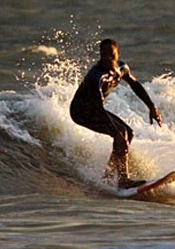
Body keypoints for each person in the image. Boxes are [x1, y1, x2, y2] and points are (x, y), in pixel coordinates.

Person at [70, 38, 163, 188]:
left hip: (96, 109)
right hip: (80, 112)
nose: (107, 58)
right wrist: (117, 134)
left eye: (111, 54)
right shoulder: (97, 77)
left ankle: (108, 175)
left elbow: (135, 84)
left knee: (129, 133)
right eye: (103, 54)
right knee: (120, 135)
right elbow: (98, 109)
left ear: (118, 54)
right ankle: (123, 180)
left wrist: (152, 107)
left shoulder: (122, 68)